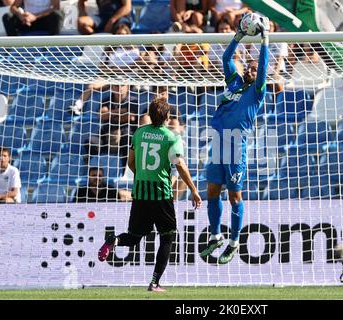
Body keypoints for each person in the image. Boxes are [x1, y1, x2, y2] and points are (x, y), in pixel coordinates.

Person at [98, 97, 202, 292]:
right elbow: (179, 165)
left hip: (140, 193)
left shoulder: (139, 133)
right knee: (168, 237)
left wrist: (143, 175)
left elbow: (130, 163)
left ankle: (114, 240)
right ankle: (154, 282)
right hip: (161, 194)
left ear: (150, 114)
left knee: (134, 236)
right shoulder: (171, 137)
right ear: (167, 116)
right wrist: (194, 190)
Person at [200, 15, 269, 264]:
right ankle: (216, 235)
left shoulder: (257, 91)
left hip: (236, 144)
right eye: (248, 67)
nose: (251, 70)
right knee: (211, 191)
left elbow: (263, 68)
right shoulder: (234, 81)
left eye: (253, 68)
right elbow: (226, 58)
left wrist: (264, 40)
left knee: (234, 196)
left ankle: (234, 241)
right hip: (218, 142)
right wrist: (238, 36)